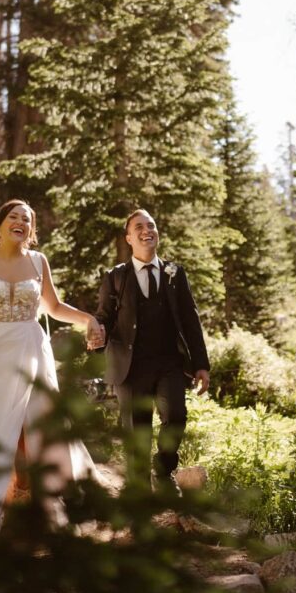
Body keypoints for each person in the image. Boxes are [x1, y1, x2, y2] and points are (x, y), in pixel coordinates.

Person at [0, 198, 106, 531]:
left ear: (32, 230)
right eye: (13, 217)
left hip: (29, 352)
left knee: (34, 425)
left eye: (27, 220)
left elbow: (53, 307)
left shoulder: (39, 262)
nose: (20, 222)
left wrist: (88, 319)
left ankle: (37, 499)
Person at [95, 209, 210, 493]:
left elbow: (190, 319)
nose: (147, 230)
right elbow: (104, 317)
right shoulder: (116, 277)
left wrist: (201, 364)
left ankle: (163, 469)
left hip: (169, 363)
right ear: (129, 237)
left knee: (176, 417)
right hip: (130, 366)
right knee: (137, 430)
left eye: (151, 225)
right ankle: (138, 490)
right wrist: (95, 335)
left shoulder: (174, 273)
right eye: (139, 227)